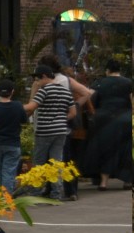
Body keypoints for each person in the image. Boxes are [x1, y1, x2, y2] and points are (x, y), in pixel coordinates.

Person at [39, 54, 92, 199]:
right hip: (65, 121)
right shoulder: (67, 80)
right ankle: (71, 190)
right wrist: (74, 106)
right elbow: (87, 93)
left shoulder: (43, 81)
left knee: (50, 157)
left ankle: (50, 188)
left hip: (48, 122)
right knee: (67, 157)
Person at [24, 64, 75, 201]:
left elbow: (31, 107)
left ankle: (35, 192)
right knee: (56, 162)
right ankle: (56, 194)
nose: (37, 82)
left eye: (37, 79)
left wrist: (14, 106)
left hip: (44, 131)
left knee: (39, 162)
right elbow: (73, 112)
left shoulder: (44, 90)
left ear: (45, 77)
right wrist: (59, 119)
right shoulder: (65, 91)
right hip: (61, 131)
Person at [83, 59, 132, 190]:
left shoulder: (99, 83)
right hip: (125, 118)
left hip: (103, 119)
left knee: (105, 149)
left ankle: (103, 183)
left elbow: (88, 95)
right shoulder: (128, 82)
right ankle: (127, 181)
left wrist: (91, 110)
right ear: (119, 70)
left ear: (107, 70)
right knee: (126, 149)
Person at [0, 78, 27, 193]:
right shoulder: (18, 106)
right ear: (12, 92)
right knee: (9, 171)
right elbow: (24, 120)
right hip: (13, 143)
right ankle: (6, 198)